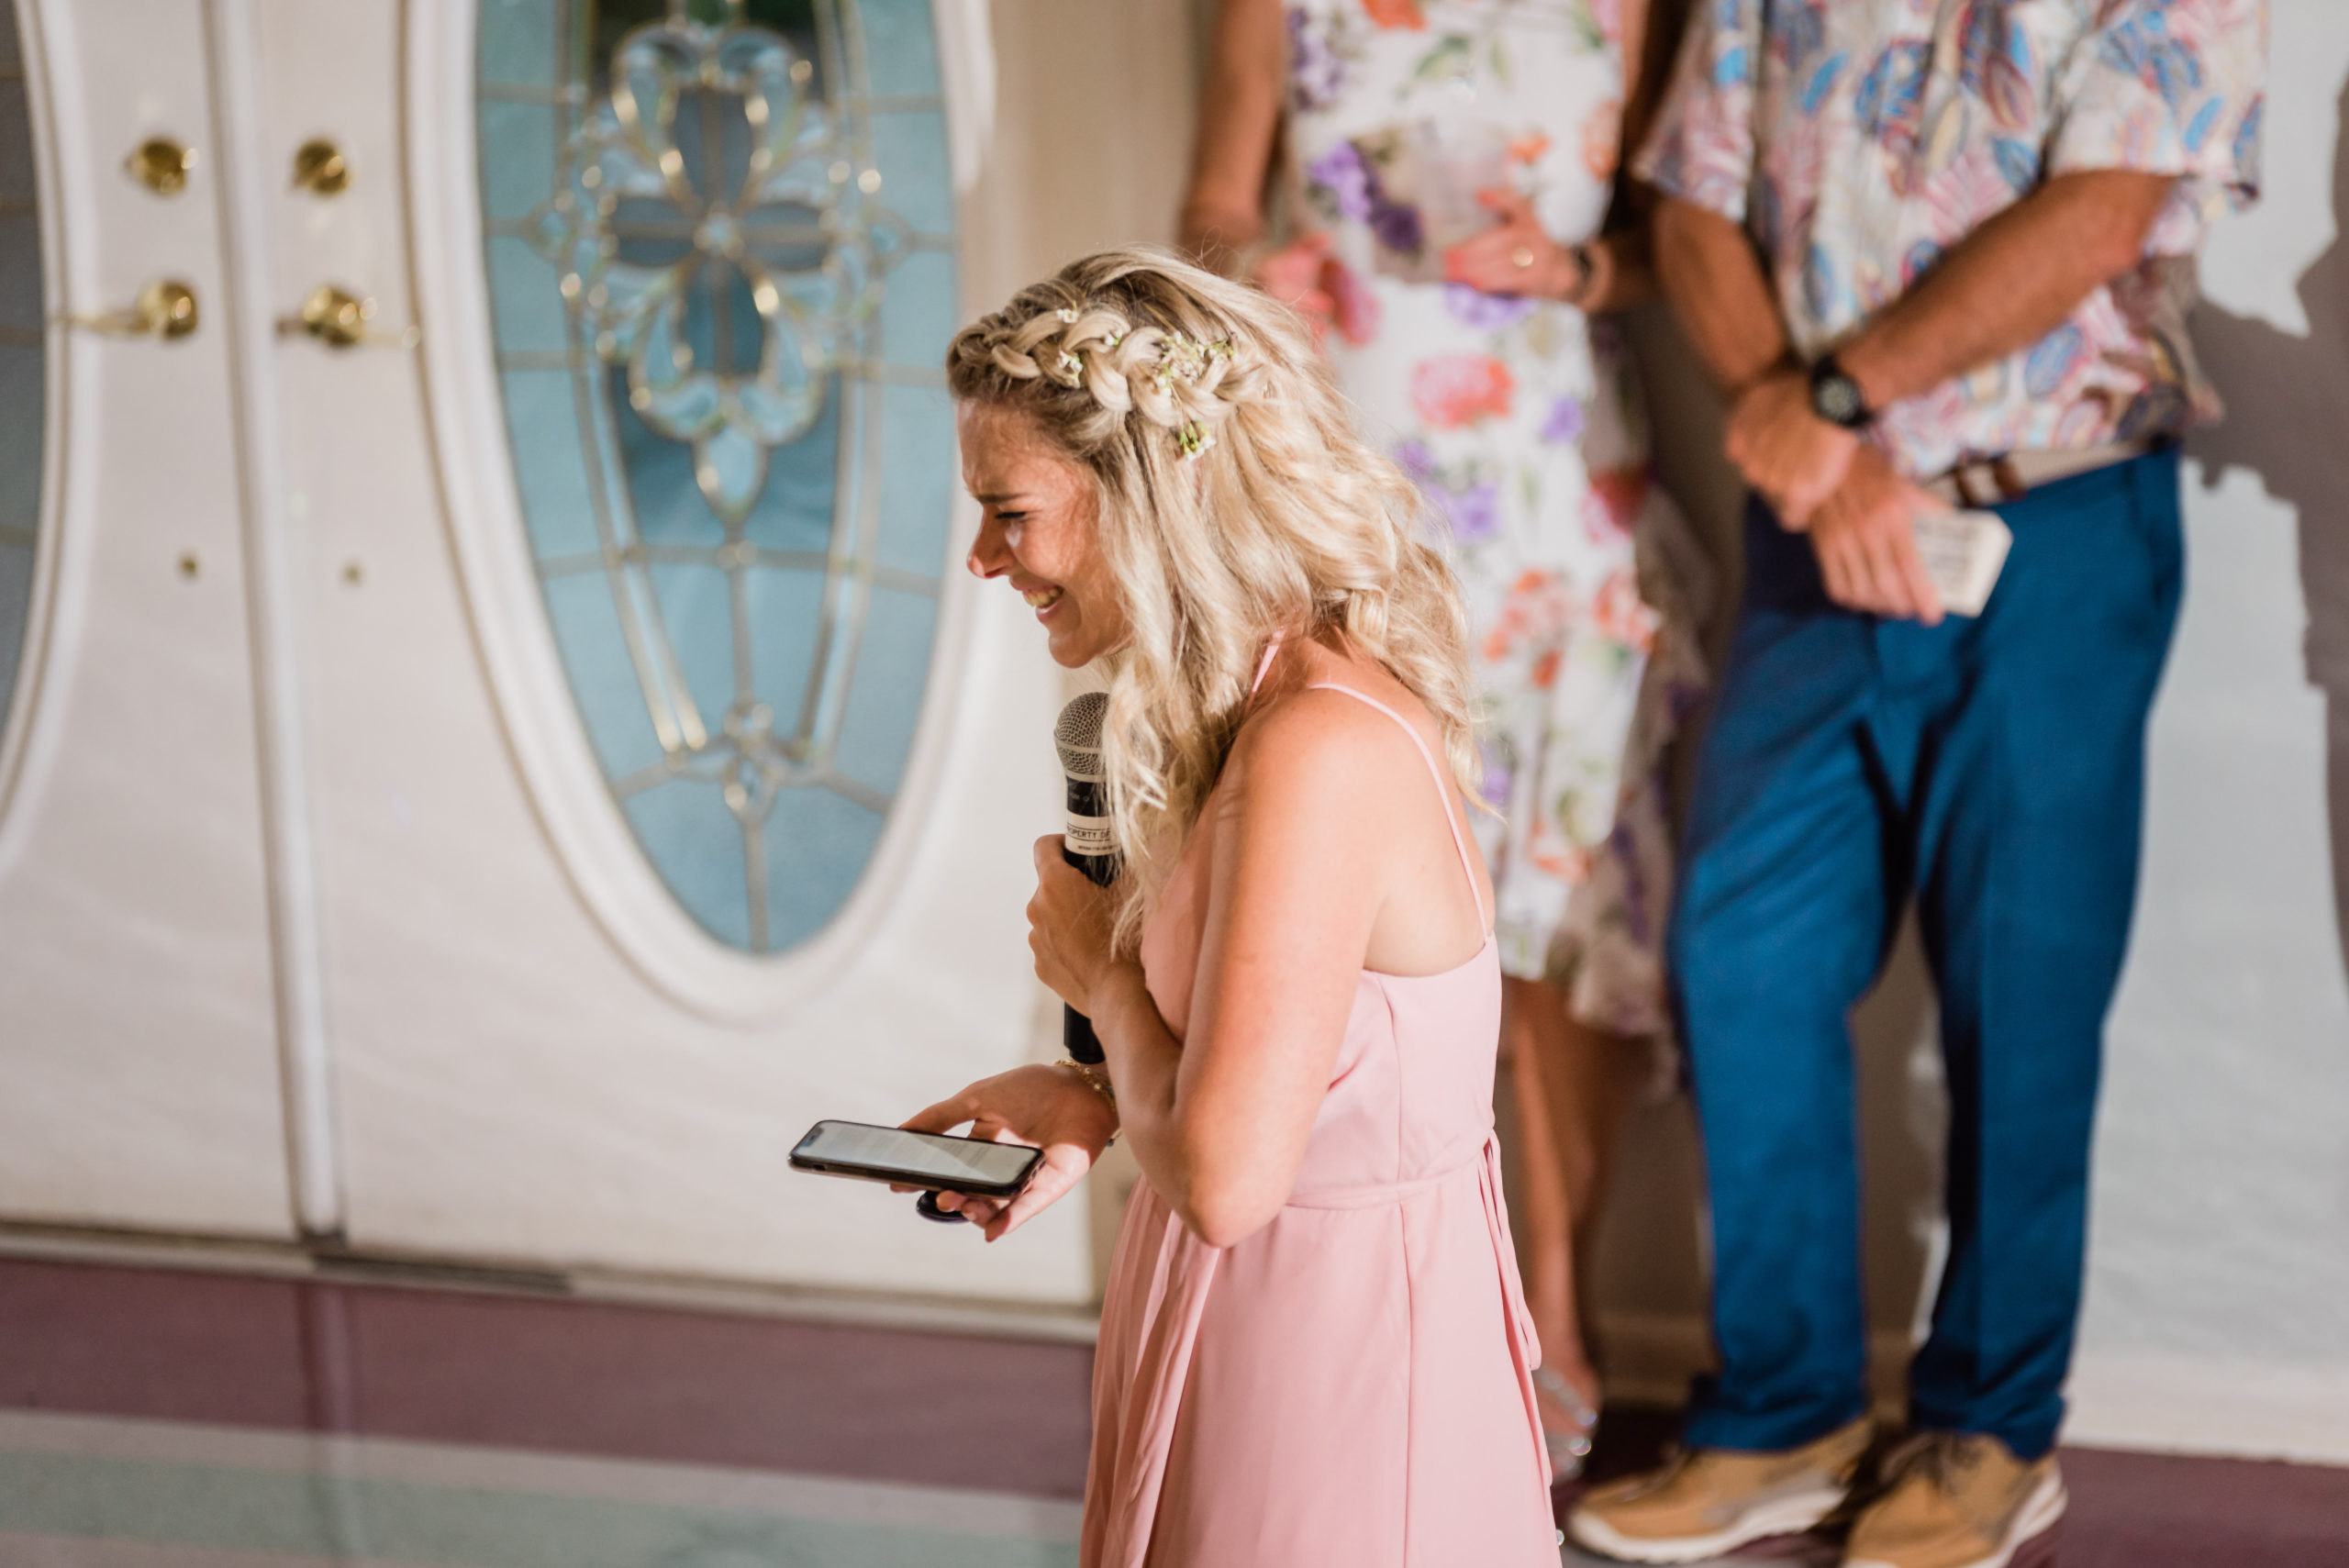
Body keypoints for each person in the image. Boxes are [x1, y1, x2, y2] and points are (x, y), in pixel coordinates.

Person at [1566, 3, 2267, 1566]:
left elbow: (2105, 208)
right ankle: (1783, 1413)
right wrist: (1832, 461)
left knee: (2021, 990)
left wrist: (1835, 401)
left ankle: (1991, 1429)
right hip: (1824, 532)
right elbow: (1689, 203)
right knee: (1740, 944)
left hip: (2061, 527)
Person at [902, 249, 1559, 1567]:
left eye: (1008, 510)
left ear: (1142, 492)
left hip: (1341, 1364)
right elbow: (1269, 1070)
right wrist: (1082, 1092)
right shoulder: (1237, 715)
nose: (981, 558)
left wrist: (1099, 982)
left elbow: (1226, 1173)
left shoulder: (1318, 746)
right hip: (1242, 1319)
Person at [1176, 0, 1714, 1477]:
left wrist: (1584, 264)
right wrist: (1249, 280)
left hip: (1553, 490)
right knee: (1341, 922)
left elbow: (1700, 237)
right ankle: (1357, 1319)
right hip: (1348, 497)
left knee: (1562, 919)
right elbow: (1213, 210)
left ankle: (1551, 1310)